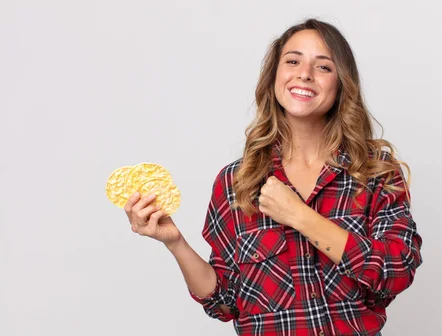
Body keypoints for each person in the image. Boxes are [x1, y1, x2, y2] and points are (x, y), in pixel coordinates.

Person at [124, 18, 423, 336]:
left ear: (341, 84)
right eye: (293, 61)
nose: (304, 73)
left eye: (323, 67)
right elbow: (225, 301)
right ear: (274, 77)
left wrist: (300, 216)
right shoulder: (236, 182)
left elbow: (397, 270)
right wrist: (175, 242)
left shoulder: (373, 172)